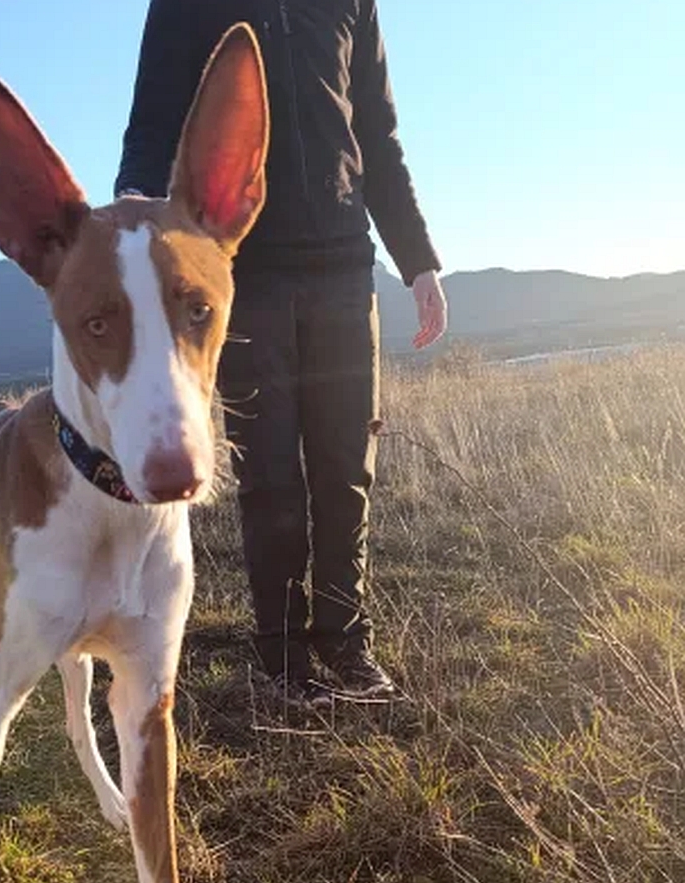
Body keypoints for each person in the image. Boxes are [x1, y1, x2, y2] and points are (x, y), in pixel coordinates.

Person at [115, 0, 447, 704]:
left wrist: (418, 263)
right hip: (243, 270)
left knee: (345, 463)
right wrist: (132, 231)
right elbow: (151, 124)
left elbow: (378, 136)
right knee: (268, 475)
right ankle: (282, 660)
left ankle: (345, 641)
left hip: (344, 266)